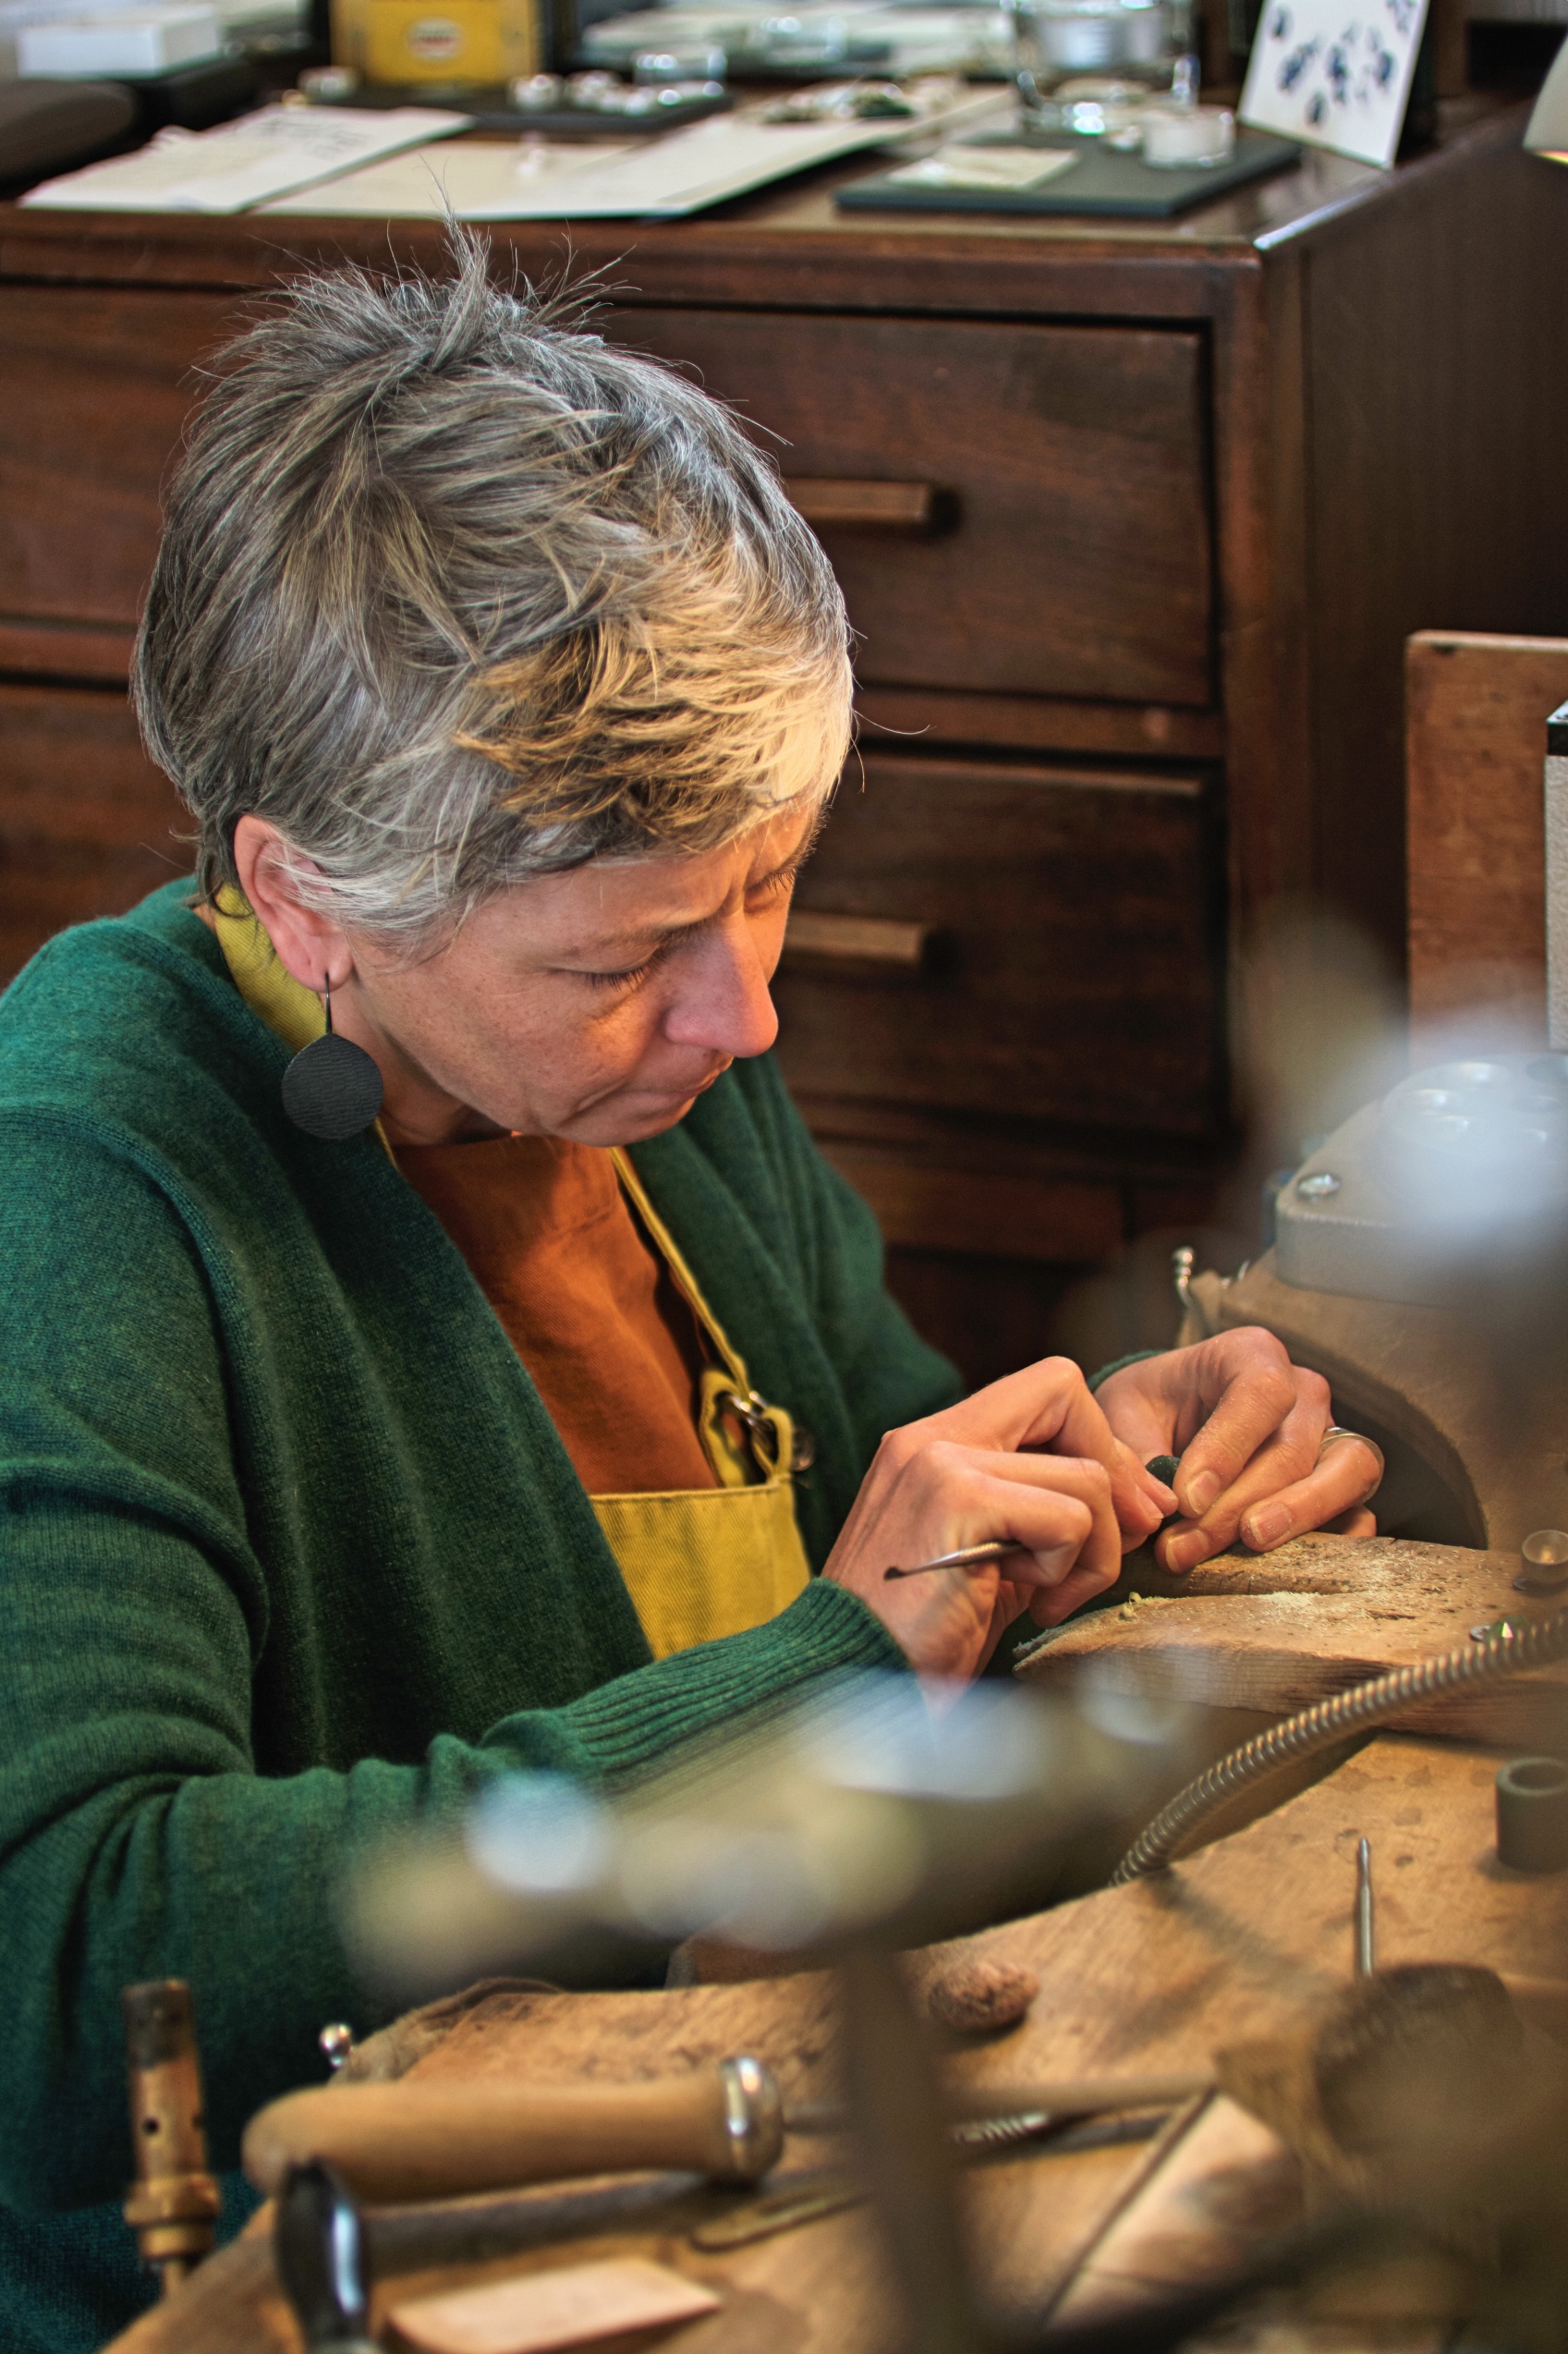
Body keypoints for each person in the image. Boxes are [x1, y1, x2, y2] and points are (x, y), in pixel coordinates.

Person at [0, 240, 1379, 2354]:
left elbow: (904, 1523)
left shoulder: (646, 1076)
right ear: (304, 895)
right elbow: (79, 1965)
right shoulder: (79, 1184)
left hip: (718, 2164)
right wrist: (819, 1676)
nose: (738, 1010)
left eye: (774, 875)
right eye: (620, 952)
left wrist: (1106, 1496)